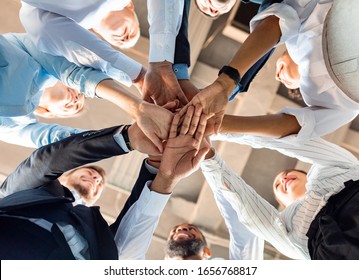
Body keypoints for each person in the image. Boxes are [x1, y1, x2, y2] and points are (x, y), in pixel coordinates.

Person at [0, 105, 208, 260]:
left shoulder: (12, 199)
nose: (95, 178)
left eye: (98, 181)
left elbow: (43, 164)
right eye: (90, 173)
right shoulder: (21, 196)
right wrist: (162, 173)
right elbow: (124, 245)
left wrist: (134, 142)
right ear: (63, 178)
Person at [181, 0, 359, 139]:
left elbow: (277, 22)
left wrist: (226, 81)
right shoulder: (343, 106)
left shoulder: (299, 30)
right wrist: (216, 125)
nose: (278, 75)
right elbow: (300, 125)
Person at [199, 114, 359, 259]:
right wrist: (208, 156)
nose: (283, 178)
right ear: (282, 204)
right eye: (277, 185)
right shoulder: (287, 223)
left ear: (306, 175)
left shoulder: (335, 168)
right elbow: (251, 211)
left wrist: (219, 128)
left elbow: (295, 142)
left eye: (288, 172)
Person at [0, 33, 172, 152]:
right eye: (80, 95)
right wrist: (138, 90)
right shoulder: (26, 49)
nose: (76, 99)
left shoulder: (19, 125)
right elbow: (74, 73)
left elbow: (57, 138)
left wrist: (128, 137)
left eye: (74, 107)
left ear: (51, 114)